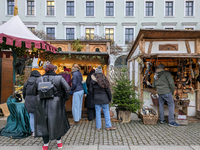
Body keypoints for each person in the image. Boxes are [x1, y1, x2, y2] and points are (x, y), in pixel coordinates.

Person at [34, 64, 71, 150]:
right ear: (54, 70)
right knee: (57, 121)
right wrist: (64, 99)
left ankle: (45, 145)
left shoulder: (39, 79)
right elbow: (68, 89)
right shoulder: (59, 78)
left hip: (41, 103)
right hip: (56, 102)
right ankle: (59, 142)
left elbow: (33, 91)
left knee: (43, 122)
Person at [89, 66, 116, 131]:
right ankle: (108, 126)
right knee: (106, 112)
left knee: (97, 113)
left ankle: (98, 127)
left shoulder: (92, 80)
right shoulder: (104, 79)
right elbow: (108, 90)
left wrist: (93, 98)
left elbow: (90, 90)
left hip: (96, 99)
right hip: (104, 98)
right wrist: (110, 98)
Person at [22, 70, 41, 137]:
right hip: (37, 100)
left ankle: (33, 132)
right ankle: (40, 131)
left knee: (32, 116)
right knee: (39, 116)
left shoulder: (26, 83)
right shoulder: (39, 81)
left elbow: (23, 93)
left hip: (29, 100)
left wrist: (26, 99)